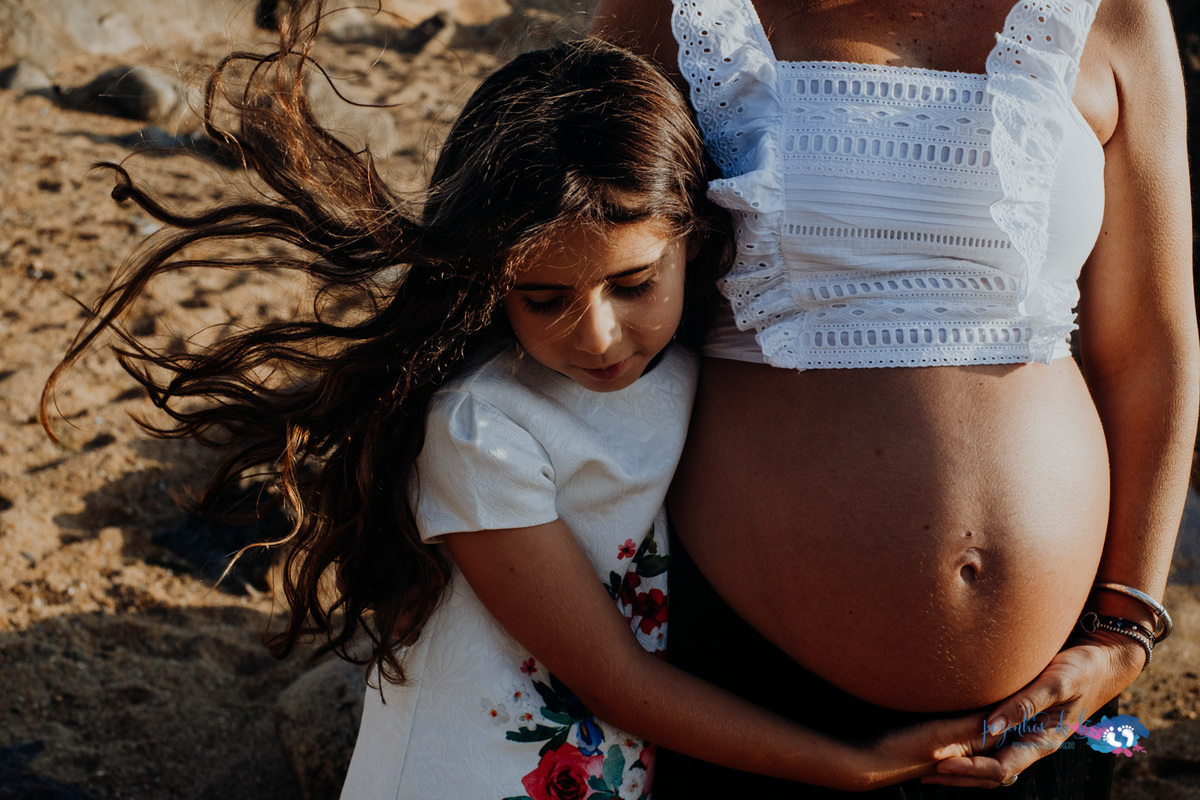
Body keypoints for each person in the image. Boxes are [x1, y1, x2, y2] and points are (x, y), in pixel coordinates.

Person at [41, 10, 1010, 796]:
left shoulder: (687, 361)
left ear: (698, 240)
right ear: (488, 283)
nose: (595, 335)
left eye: (632, 284)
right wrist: (853, 762)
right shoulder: (482, 427)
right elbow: (615, 680)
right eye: (543, 298)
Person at [592, 0, 1197, 796]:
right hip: (753, 691)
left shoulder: (1114, 11)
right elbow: (575, 255)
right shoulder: (677, 12)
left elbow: (1151, 347)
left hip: (1045, 699)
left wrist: (1125, 628)